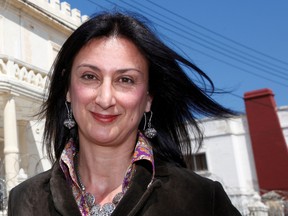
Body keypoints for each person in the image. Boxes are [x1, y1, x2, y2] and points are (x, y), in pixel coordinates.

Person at [8, 11, 242, 216]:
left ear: (148, 98)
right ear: (68, 89)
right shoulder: (24, 200)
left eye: (125, 80)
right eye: (90, 76)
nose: (105, 99)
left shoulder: (202, 199)